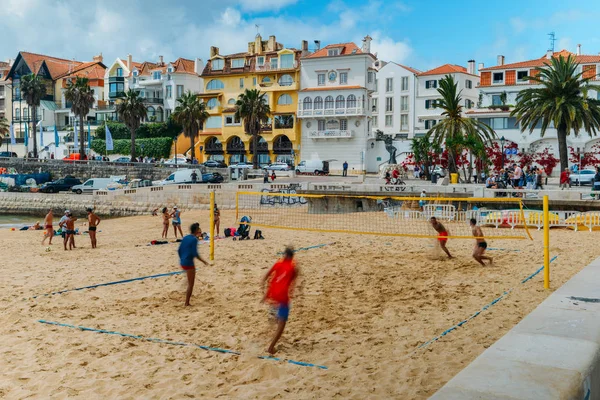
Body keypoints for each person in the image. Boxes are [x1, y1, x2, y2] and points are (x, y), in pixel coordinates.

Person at [262, 246, 299, 354]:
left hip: (272, 295)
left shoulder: (278, 263)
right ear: (292, 257)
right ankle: (271, 347)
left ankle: (273, 318)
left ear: (284, 255)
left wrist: (264, 294)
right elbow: (294, 279)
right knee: (281, 325)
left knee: (275, 317)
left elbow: (265, 277)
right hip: (282, 297)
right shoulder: (293, 267)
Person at [178, 222, 209, 306]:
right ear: (195, 231)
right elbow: (195, 254)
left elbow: (179, 250)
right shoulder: (194, 239)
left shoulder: (186, 237)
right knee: (191, 284)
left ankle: (185, 284)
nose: (200, 233)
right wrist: (204, 261)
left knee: (189, 279)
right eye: (199, 231)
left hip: (182, 261)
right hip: (188, 263)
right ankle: (187, 303)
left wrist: (182, 258)